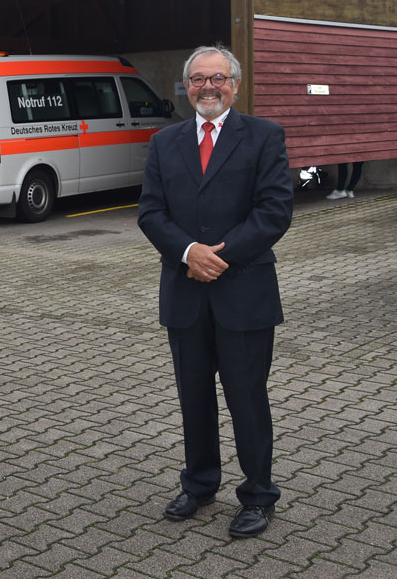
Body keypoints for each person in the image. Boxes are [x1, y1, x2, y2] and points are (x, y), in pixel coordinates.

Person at [137, 45, 293, 538]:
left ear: (235, 85)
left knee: (247, 397)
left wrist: (217, 256)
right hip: (185, 294)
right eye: (198, 78)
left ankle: (259, 495)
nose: (208, 86)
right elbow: (150, 213)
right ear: (185, 86)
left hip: (243, 292)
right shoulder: (164, 142)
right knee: (194, 396)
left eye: (218, 78)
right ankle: (200, 483)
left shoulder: (264, 136)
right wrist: (188, 252)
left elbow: (274, 211)